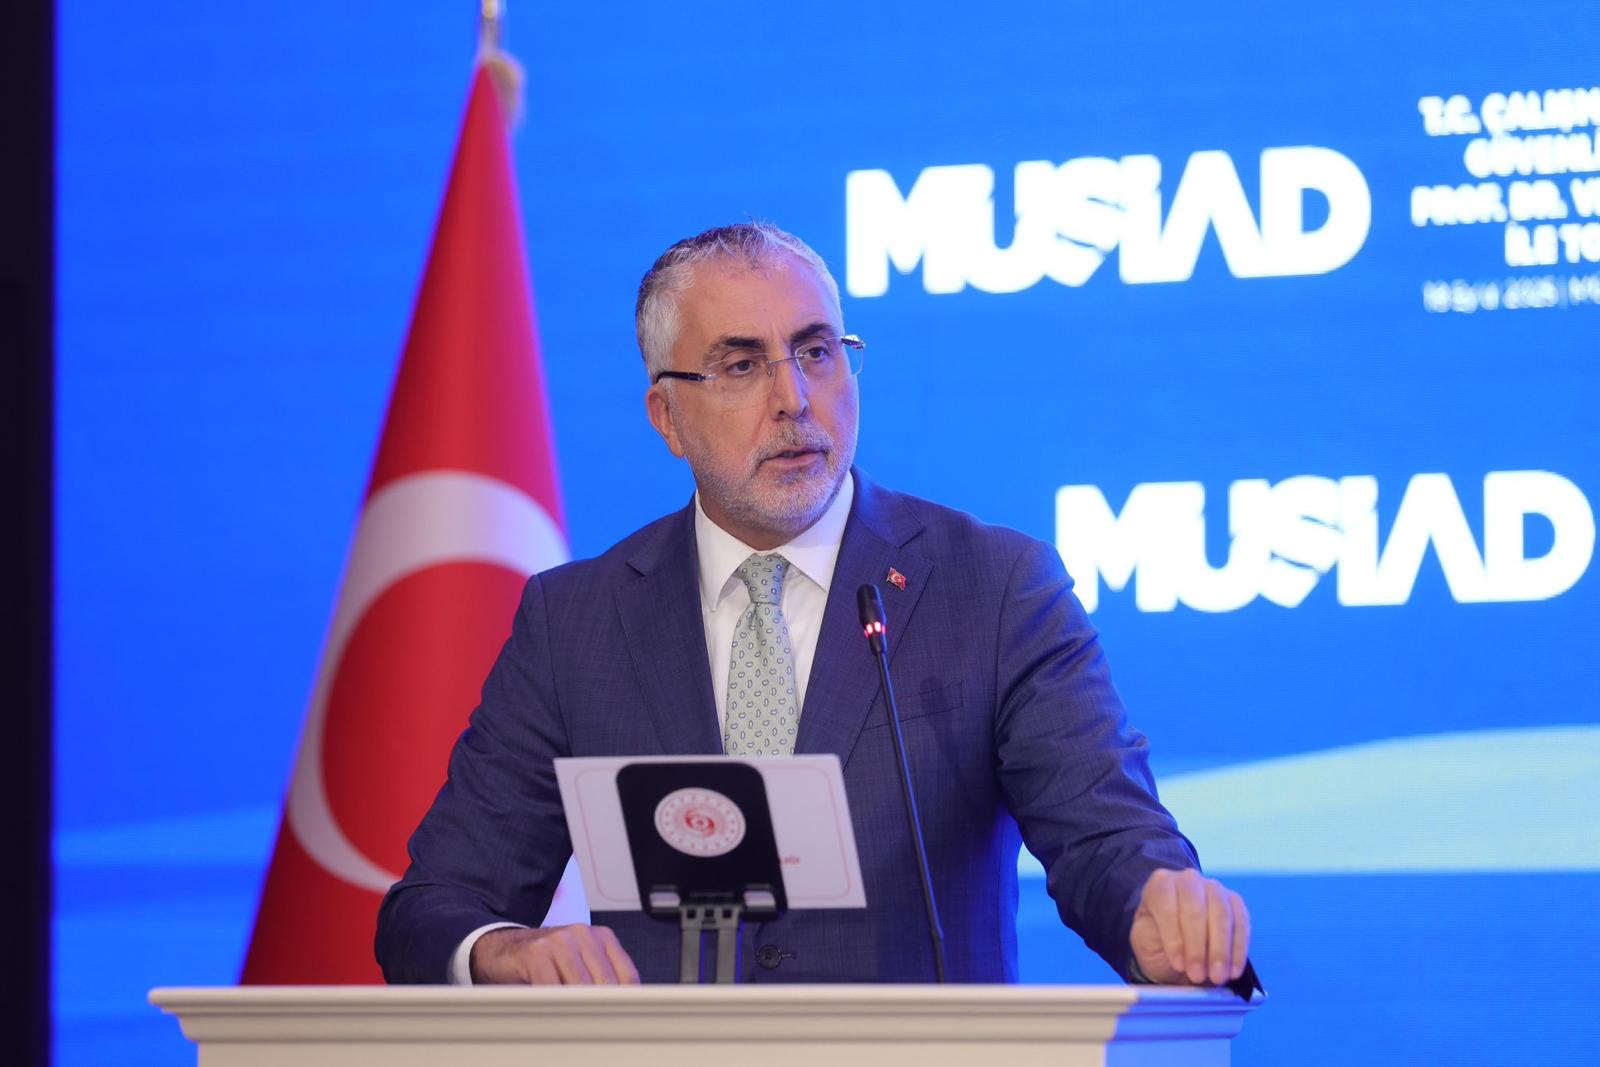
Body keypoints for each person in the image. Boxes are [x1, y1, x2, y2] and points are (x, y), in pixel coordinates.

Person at [376, 222, 1252, 987]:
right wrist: (502, 950)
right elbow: (434, 904)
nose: (794, 398)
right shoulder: (577, 622)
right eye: (741, 365)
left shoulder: (993, 588)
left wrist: (1158, 909)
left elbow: (1105, 837)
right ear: (666, 416)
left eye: (817, 351)